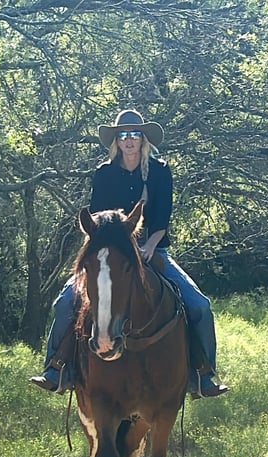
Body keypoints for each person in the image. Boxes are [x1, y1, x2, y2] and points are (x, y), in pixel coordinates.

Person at [30, 109, 229, 399]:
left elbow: (162, 217)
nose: (129, 140)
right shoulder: (104, 173)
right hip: (110, 252)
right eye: (123, 135)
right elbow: (97, 217)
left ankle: (203, 373)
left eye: (135, 134)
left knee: (198, 305)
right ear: (117, 141)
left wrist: (148, 246)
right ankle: (57, 368)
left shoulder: (160, 170)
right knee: (64, 304)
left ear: (143, 138)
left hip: (152, 248)